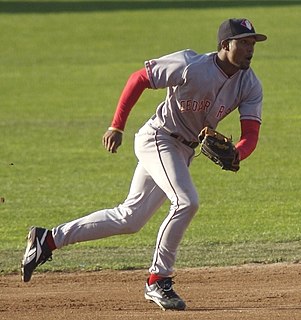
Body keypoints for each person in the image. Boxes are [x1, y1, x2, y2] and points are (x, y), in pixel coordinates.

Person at [21, 18, 267, 311]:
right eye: (244, 42)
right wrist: (116, 126)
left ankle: (47, 240)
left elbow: (250, 134)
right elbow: (139, 78)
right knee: (186, 202)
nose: (250, 49)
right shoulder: (191, 64)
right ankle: (157, 279)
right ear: (225, 45)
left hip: (182, 152)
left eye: (253, 43)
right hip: (159, 139)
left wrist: (238, 153)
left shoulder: (250, 85)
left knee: (129, 218)